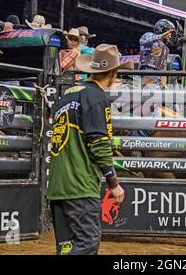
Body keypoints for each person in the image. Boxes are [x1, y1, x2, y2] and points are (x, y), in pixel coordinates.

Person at [47, 44, 132, 255]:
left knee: (67, 248)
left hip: (58, 186)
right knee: (87, 243)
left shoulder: (65, 97)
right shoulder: (96, 98)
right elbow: (98, 142)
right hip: (80, 184)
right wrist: (113, 182)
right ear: (113, 74)